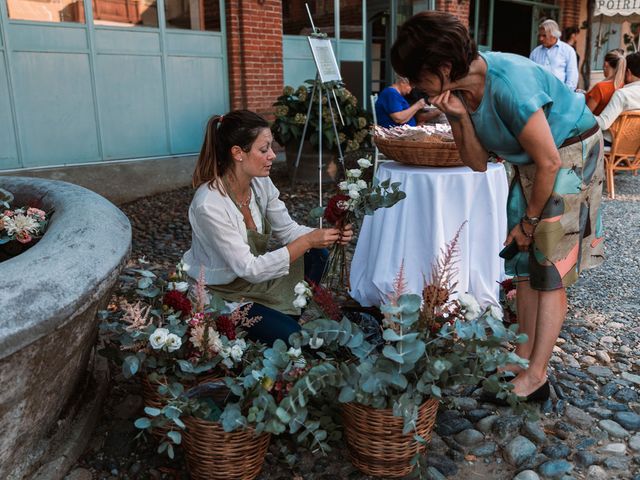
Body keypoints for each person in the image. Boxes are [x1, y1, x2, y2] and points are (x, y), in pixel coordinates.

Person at [391, 11, 604, 402]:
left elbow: (551, 162)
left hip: (568, 152)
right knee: (522, 264)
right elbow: (475, 162)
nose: (413, 86)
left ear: (442, 66)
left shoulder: (508, 84)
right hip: (531, 161)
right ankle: (521, 356)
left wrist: (530, 220)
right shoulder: (461, 91)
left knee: (548, 265)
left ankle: (537, 375)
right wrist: (457, 119)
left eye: (416, 75)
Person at [182, 110, 353, 345]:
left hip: (256, 281)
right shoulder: (209, 204)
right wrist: (308, 240)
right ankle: (272, 324)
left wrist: (328, 236)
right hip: (225, 292)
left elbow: (288, 231)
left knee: (317, 254)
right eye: (264, 150)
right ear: (237, 153)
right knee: (296, 340)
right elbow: (249, 268)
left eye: (271, 148)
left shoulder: (261, 183)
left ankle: (284, 317)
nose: (273, 155)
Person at [594, 52, 640, 144]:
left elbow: (603, 124)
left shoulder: (622, 94)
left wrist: (584, 114)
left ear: (628, 72)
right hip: (636, 148)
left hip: (612, 144)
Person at [530, 19, 579, 91]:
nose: (540, 39)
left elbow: (572, 76)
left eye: (544, 36)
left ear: (554, 35)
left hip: (559, 93)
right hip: (539, 94)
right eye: (539, 35)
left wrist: (565, 93)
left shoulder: (568, 51)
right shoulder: (535, 52)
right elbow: (530, 74)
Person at [585, 49, 626, 115]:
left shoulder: (600, 87)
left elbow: (586, 114)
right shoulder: (623, 86)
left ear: (605, 64)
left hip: (595, 124)